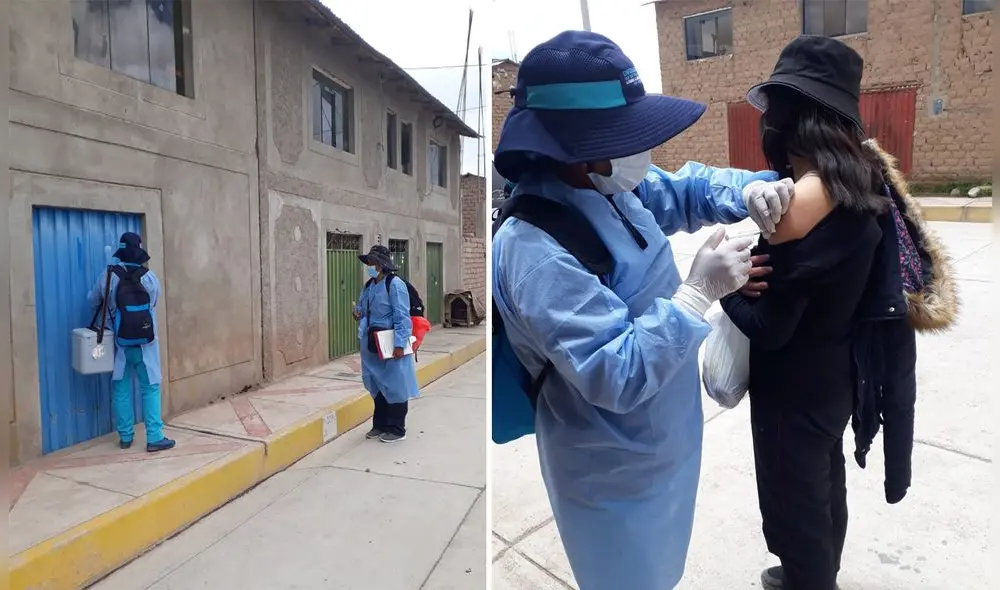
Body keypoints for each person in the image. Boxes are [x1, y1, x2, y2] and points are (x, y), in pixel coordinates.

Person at [492, 31, 795, 590]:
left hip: (661, 437)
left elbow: (682, 191)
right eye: (623, 137)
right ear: (576, 148)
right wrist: (697, 294)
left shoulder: (605, 185)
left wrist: (750, 190)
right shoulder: (533, 248)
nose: (640, 153)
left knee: (663, 569)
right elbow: (616, 372)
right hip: (608, 463)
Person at [722, 36, 957, 590]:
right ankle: (816, 571)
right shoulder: (865, 190)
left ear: (784, 123)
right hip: (840, 382)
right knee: (825, 491)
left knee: (792, 507)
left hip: (793, 392)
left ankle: (808, 578)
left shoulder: (796, 214)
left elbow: (771, 328)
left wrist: (723, 288)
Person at [87, 232, 175, 452]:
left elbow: (92, 301)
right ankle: (154, 437)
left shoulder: (109, 276)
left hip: (120, 345)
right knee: (151, 387)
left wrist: (109, 318)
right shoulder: (150, 278)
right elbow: (153, 305)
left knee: (121, 389)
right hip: (147, 344)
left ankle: (126, 437)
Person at [352, 245, 419, 443]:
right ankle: (379, 424)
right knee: (377, 383)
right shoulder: (369, 285)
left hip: (390, 343)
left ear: (382, 264)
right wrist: (358, 313)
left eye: (372, 263)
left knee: (395, 383)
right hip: (372, 343)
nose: (369, 266)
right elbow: (364, 309)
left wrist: (399, 344)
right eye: (368, 263)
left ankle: (397, 428)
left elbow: (401, 315)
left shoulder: (395, 284)